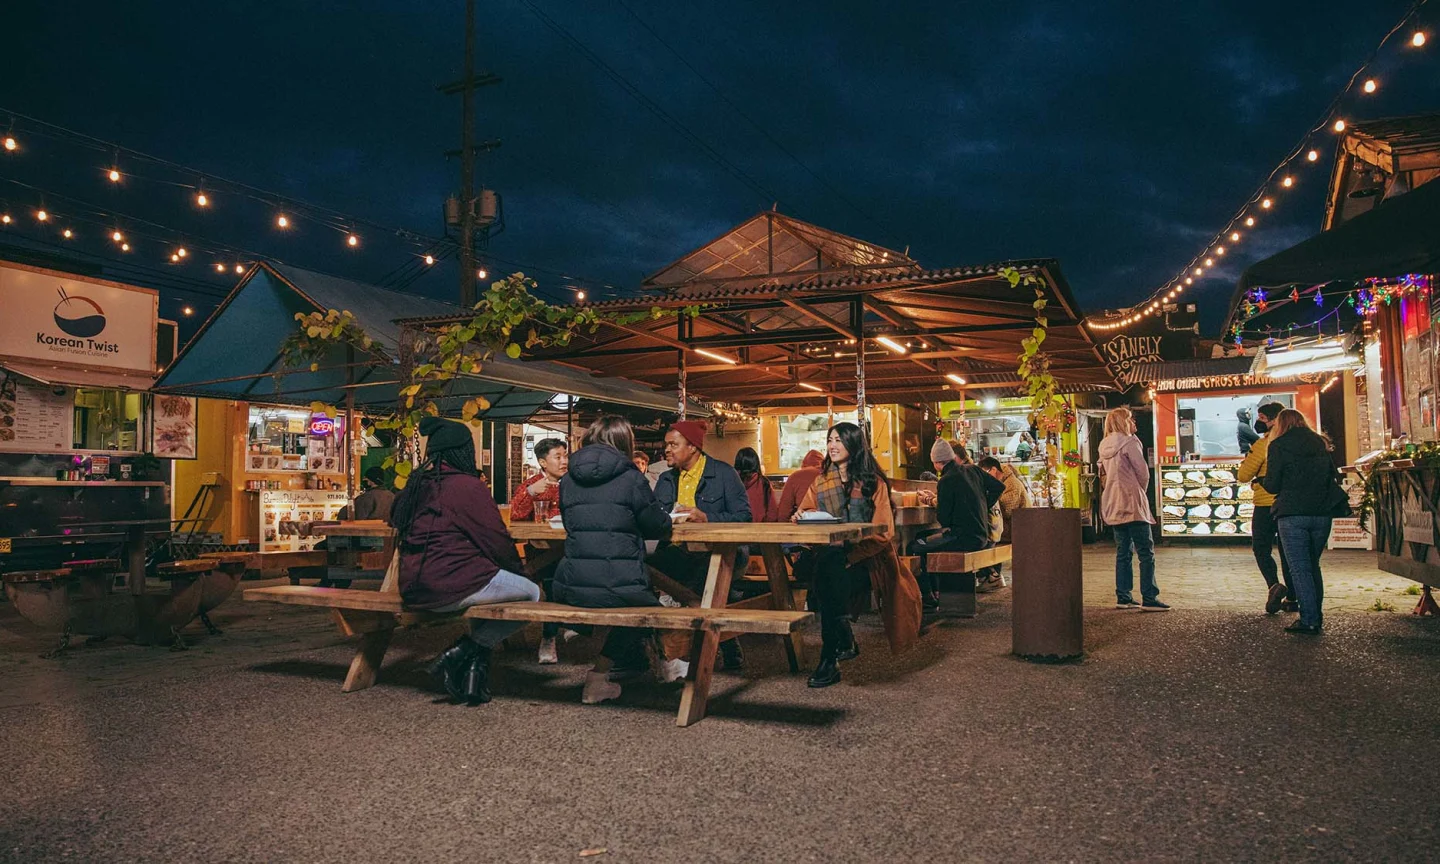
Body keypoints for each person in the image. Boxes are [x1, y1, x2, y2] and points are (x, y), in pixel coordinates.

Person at [393, 416, 539, 706]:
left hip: (413, 585)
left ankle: (473, 680)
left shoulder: (415, 485)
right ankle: (462, 650)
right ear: (464, 452)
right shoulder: (467, 486)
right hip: (451, 584)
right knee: (532, 594)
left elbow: (396, 522)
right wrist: (519, 572)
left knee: (492, 595)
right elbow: (496, 540)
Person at [553, 415, 677, 703]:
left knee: (641, 601)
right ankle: (599, 676)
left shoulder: (568, 479)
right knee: (644, 608)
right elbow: (657, 526)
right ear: (625, 443)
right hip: (621, 584)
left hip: (573, 584)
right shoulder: (631, 477)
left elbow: (572, 525)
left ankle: (664, 663)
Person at [793, 421, 920, 688]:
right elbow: (805, 512)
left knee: (826, 577)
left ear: (853, 443)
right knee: (828, 571)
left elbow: (883, 534)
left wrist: (851, 557)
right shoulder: (821, 482)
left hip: (868, 561)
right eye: (829, 440)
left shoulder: (874, 483)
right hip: (831, 560)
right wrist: (800, 516)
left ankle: (834, 651)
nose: (832, 445)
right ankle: (832, 654)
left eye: (839, 440)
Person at [650, 419, 751, 669]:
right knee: (638, 568)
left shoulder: (724, 474)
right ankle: (643, 646)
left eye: (673, 444)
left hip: (721, 552)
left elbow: (744, 516)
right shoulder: (664, 479)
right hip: (678, 552)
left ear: (693, 446)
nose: (667, 449)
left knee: (705, 579)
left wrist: (706, 518)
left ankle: (694, 650)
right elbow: (652, 518)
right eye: (666, 445)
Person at [1263, 409, 1350, 636]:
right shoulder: (1319, 444)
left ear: (1280, 425)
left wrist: (1262, 481)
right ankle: (1315, 615)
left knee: (1299, 568)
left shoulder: (1278, 445)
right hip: (1322, 513)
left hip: (1292, 513)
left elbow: (1272, 484)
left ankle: (1309, 620)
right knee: (1312, 565)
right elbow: (1332, 476)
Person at [909, 439, 1004, 609]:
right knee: (922, 537)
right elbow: (999, 487)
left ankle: (928, 596)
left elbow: (944, 520)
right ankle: (935, 592)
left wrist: (933, 502)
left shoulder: (946, 481)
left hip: (964, 538)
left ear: (937, 462)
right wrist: (982, 504)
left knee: (915, 547)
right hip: (981, 534)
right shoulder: (973, 470)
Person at [1099, 407, 1168, 611]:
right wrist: (1140, 493)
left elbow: (1103, 475)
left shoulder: (1103, 445)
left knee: (1123, 552)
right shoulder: (1130, 442)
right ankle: (1149, 596)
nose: (1134, 423)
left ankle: (1124, 596)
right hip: (1132, 502)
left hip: (1112, 502)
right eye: (1131, 419)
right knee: (1146, 552)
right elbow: (1143, 473)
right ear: (1124, 422)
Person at [510, 437, 570, 664]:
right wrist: (531, 493)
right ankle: (548, 636)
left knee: (557, 580)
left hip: (570, 549)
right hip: (539, 550)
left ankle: (557, 632)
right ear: (544, 463)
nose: (564, 461)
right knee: (544, 580)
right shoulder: (532, 484)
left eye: (565, 456)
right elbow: (515, 514)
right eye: (558, 457)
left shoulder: (573, 483)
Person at [1238, 402, 1293, 615]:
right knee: (1289, 550)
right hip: (1289, 503)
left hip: (1265, 504)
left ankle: (1273, 585)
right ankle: (1294, 596)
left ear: (1272, 420)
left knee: (1261, 548)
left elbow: (1243, 475)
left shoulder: (1263, 445)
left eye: (1261, 419)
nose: (1258, 423)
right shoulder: (1292, 442)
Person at [978, 455, 1030, 542]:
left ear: (994, 470)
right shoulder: (1005, 481)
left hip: (1015, 535)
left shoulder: (1012, 484)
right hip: (1011, 534)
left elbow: (1006, 510)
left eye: (985, 474)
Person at [776, 449, 825, 521]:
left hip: (804, 521)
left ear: (803, 464)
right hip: (827, 521)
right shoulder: (828, 474)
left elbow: (784, 510)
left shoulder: (795, 476)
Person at [734, 446, 778, 522]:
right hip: (761, 530)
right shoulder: (764, 483)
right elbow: (772, 514)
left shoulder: (731, 482)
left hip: (736, 529)